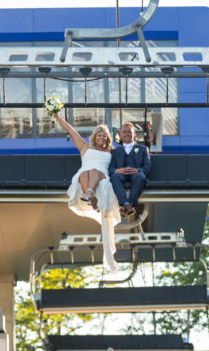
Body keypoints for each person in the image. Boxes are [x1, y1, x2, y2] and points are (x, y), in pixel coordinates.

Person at [53, 114, 121, 272]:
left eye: (105, 135)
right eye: (99, 135)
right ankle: (90, 196)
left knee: (94, 171)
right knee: (85, 173)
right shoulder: (85, 147)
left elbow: (126, 156)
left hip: (102, 178)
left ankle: (90, 195)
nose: (102, 137)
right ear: (95, 137)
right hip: (84, 177)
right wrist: (57, 116)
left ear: (108, 138)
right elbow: (71, 130)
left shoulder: (112, 150)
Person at [109, 121, 152, 217]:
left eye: (129, 131)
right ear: (120, 134)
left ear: (134, 133)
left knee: (140, 176)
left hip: (136, 174)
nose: (127, 134)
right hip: (121, 175)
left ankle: (128, 204)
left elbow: (147, 165)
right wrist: (117, 170)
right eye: (124, 132)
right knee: (114, 177)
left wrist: (139, 170)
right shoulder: (115, 151)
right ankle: (127, 205)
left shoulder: (143, 149)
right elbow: (111, 168)